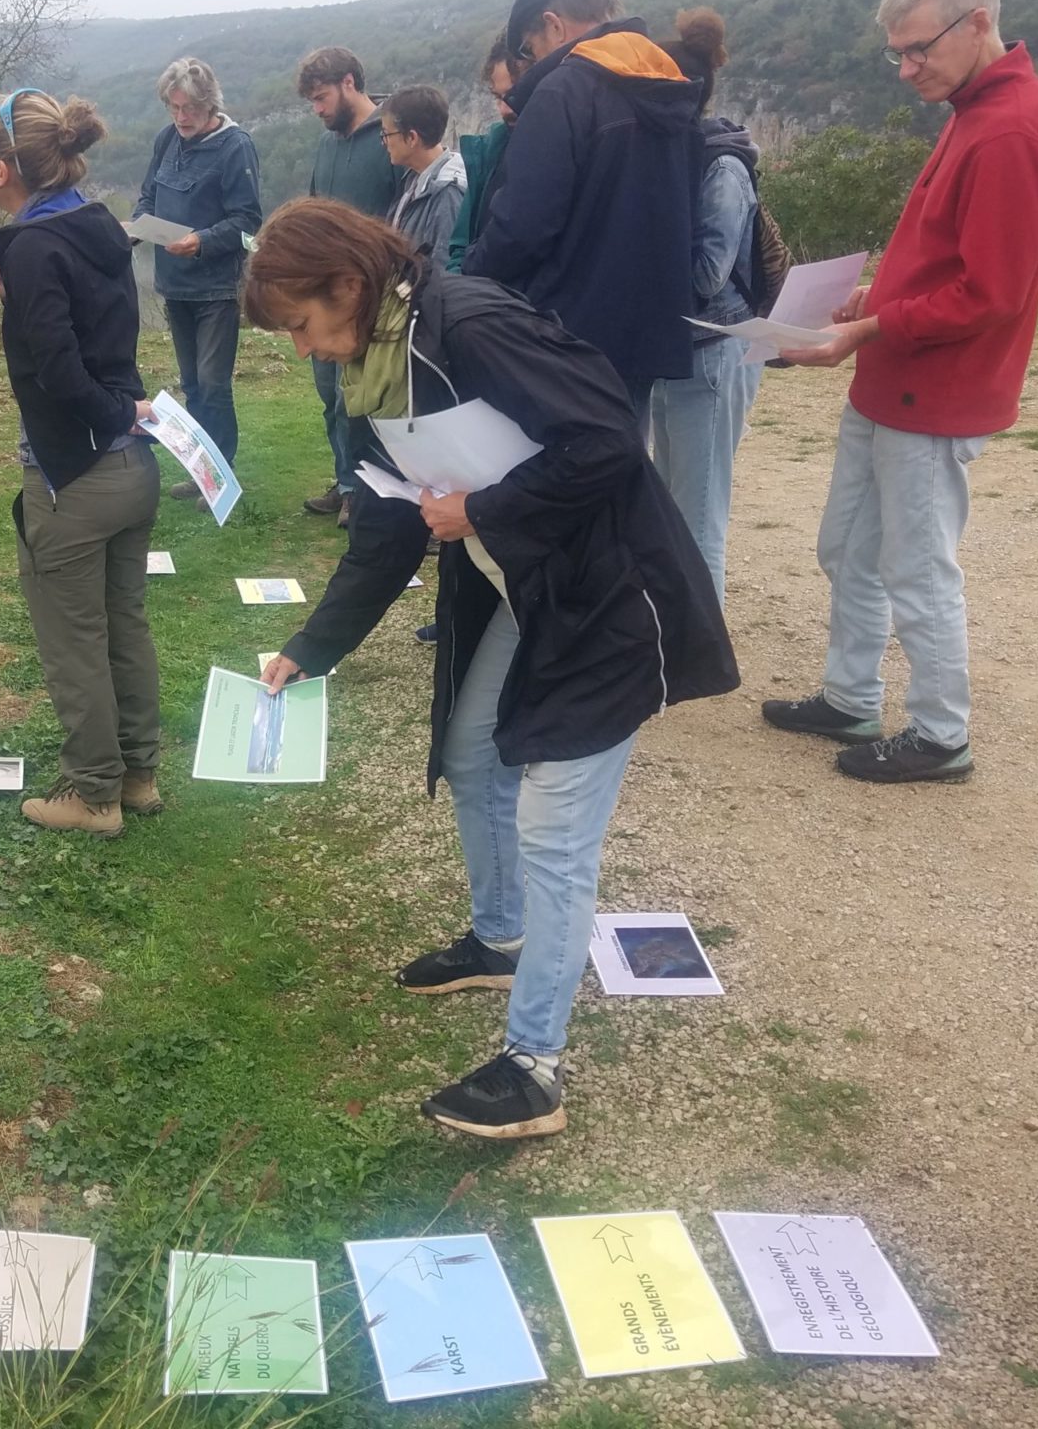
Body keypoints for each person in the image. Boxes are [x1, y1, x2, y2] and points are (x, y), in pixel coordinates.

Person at [248, 200, 736, 1140]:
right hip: (524, 591)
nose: (304, 349)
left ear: (348, 285)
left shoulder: (469, 324)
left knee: (557, 837)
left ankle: (534, 1067)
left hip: (607, 597)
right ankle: (502, 937)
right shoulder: (374, 372)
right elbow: (388, 527)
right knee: (473, 756)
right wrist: (312, 649)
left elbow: (607, 436)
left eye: (303, 325)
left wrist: (483, 508)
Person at [766, 0, 1038, 783]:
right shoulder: (975, 108)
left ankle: (940, 735)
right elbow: (948, 259)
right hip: (891, 380)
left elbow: (991, 294)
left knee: (918, 566)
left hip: (936, 393)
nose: (906, 69)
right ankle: (850, 695)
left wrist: (871, 327)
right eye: (896, 52)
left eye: (918, 48)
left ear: (978, 23)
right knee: (848, 547)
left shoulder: (1010, 129)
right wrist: (877, 297)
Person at [0, 89, 162, 837]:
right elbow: (86, 329)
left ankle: (93, 795)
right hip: (134, 470)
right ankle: (138, 774)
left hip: (74, 476)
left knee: (73, 639)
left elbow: (57, 369)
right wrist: (15, 295)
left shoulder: (32, 246)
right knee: (125, 624)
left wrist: (113, 413)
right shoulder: (95, 225)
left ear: (4, 169)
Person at [461, 0, 705, 436]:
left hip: (568, 337)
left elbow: (523, 226)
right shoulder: (668, 82)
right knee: (619, 462)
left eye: (529, 48)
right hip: (646, 334)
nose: (532, 61)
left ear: (553, 24)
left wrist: (469, 278)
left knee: (562, 470)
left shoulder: (564, 90)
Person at [650, 7, 764, 607]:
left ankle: (702, 643)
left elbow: (708, 273)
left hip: (716, 352)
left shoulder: (720, 166)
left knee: (699, 515)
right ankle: (679, 631)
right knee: (672, 507)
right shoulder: (679, 157)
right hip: (678, 353)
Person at [131, 58, 262, 499]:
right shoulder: (167, 139)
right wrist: (137, 227)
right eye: (173, 107)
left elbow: (248, 223)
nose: (181, 117)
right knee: (191, 385)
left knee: (212, 384)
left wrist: (201, 241)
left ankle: (222, 476)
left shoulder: (235, 146)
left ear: (210, 105)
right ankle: (202, 473)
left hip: (216, 287)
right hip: (175, 285)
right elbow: (149, 194)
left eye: (189, 108)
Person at [296, 46, 404, 525]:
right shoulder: (326, 145)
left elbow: (404, 215)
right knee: (329, 394)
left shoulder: (390, 136)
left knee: (358, 399)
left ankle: (366, 490)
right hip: (324, 295)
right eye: (312, 101)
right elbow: (316, 208)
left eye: (321, 98)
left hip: (371, 294)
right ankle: (345, 480)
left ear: (349, 83)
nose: (317, 110)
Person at [446, 38, 520, 276]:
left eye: (514, 95)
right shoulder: (488, 152)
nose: (504, 109)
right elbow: (460, 245)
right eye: (498, 97)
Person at [382, 85, 466, 262]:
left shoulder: (447, 194)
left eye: (387, 134)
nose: (384, 142)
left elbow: (444, 269)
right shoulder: (413, 179)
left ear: (412, 138)